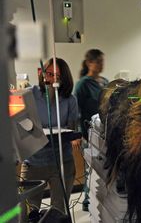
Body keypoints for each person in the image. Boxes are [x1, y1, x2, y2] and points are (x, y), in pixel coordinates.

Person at [21, 58, 79, 217]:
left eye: (58, 76)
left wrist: (75, 137)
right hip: (34, 163)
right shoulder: (29, 95)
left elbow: (74, 128)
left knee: (58, 213)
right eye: (49, 74)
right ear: (42, 73)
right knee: (28, 213)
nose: (52, 79)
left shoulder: (70, 100)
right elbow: (18, 124)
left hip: (62, 162)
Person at [74, 49, 109, 211]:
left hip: (105, 132)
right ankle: (88, 201)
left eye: (102, 61)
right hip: (89, 132)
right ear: (90, 63)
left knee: (104, 168)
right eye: (98, 62)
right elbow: (77, 111)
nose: (101, 65)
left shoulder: (105, 82)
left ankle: (101, 199)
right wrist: (80, 134)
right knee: (91, 168)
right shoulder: (83, 84)